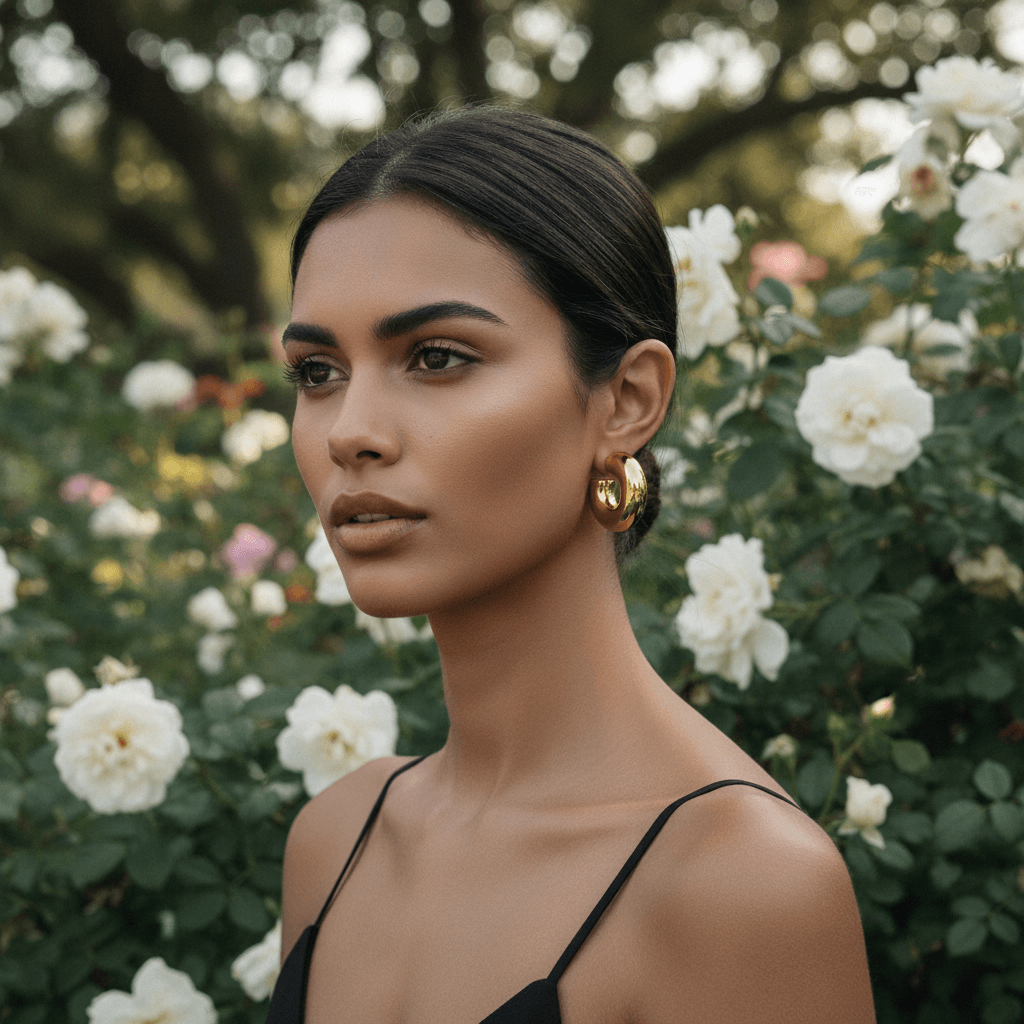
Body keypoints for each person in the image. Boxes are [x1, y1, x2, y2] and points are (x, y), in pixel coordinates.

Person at [269, 106, 876, 1024]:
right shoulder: (337, 839)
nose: (350, 430)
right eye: (318, 372)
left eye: (435, 357)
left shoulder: (743, 886)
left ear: (627, 401)